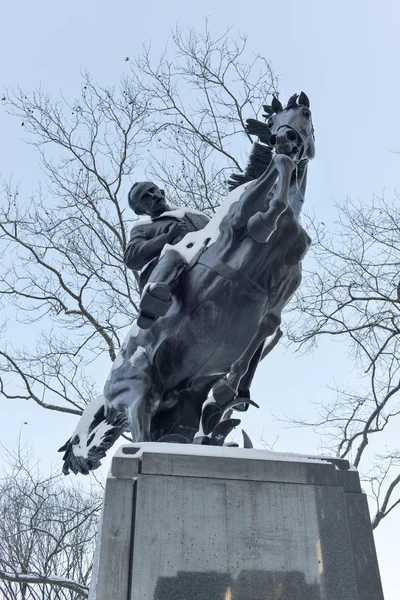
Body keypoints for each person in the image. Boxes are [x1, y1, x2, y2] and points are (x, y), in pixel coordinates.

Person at [124, 181, 209, 329]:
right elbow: (131, 258)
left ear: (161, 191)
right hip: (176, 277)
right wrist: (166, 238)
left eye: (153, 190)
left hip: (209, 260)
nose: (153, 196)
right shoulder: (143, 228)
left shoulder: (196, 215)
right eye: (145, 197)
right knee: (173, 254)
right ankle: (152, 305)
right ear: (139, 210)